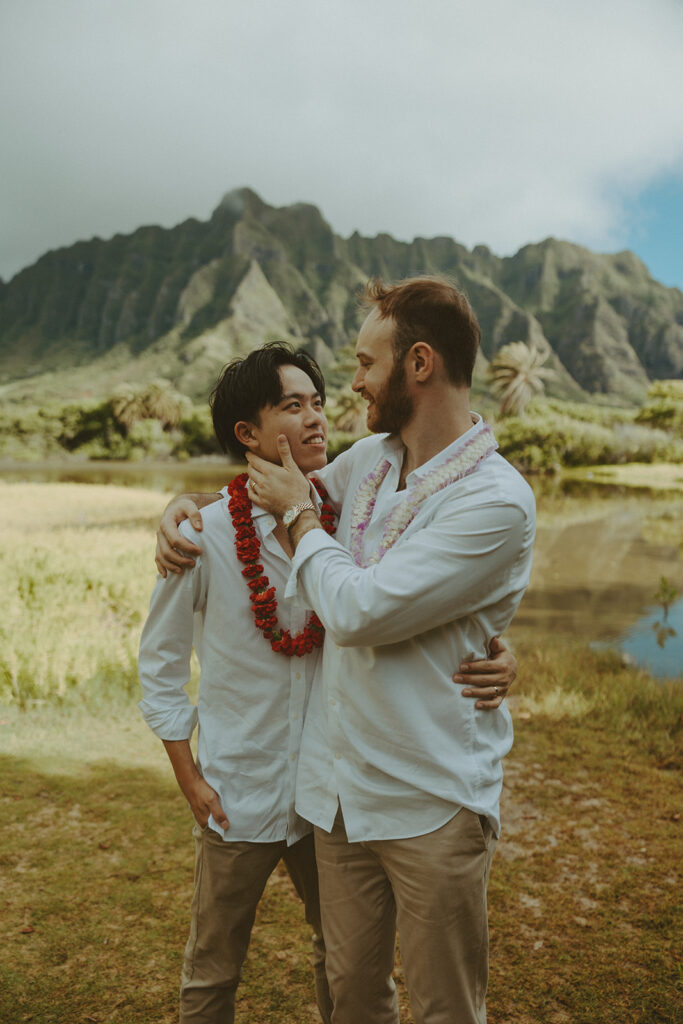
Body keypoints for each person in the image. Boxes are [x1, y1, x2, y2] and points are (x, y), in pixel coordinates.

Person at [142, 340, 516, 1024]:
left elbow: (410, 589)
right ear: (248, 434)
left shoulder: (348, 510)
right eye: (294, 406)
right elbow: (160, 665)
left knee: (343, 960)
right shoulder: (205, 537)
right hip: (241, 790)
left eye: (318, 403)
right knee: (213, 963)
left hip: (329, 793)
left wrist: (495, 644)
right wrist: (188, 776)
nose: (318, 417)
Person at [243, 277, 536, 1024]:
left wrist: (305, 522)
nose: (354, 382)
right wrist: (185, 513)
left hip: (430, 800)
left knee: (444, 1009)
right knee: (352, 998)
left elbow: (360, 610)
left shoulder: (493, 502)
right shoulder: (370, 460)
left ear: (419, 363)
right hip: (339, 796)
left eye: (365, 362)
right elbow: (268, 494)